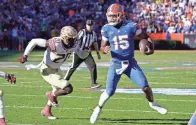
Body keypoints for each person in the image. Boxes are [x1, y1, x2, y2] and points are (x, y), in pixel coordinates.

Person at [90, 3, 167, 124]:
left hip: (130, 64)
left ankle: (153, 103)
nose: (110, 18)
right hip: (116, 64)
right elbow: (102, 47)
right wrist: (104, 50)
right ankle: (98, 108)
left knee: (145, 87)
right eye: (109, 16)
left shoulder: (131, 26)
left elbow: (146, 37)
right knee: (109, 91)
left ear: (120, 15)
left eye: (113, 16)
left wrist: (151, 48)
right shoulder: (106, 28)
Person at [19, 26, 78, 119]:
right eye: (71, 39)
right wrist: (25, 55)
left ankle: (46, 110)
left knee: (57, 90)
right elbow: (34, 41)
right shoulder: (55, 43)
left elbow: (79, 50)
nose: (73, 41)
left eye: (74, 38)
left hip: (57, 69)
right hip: (47, 69)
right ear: (64, 37)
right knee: (68, 88)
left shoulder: (74, 44)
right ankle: (51, 95)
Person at [65, 20, 101, 89]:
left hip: (87, 53)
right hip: (78, 52)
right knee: (73, 67)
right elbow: (76, 40)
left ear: (92, 26)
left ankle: (93, 83)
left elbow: (95, 43)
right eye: (88, 25)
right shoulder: (82, 32)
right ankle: (64, 80)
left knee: (93, 66)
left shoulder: (94, 34)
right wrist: (71, 50)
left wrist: (97, 52)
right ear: (86, 25)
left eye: (90, 25)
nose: (89, 26)